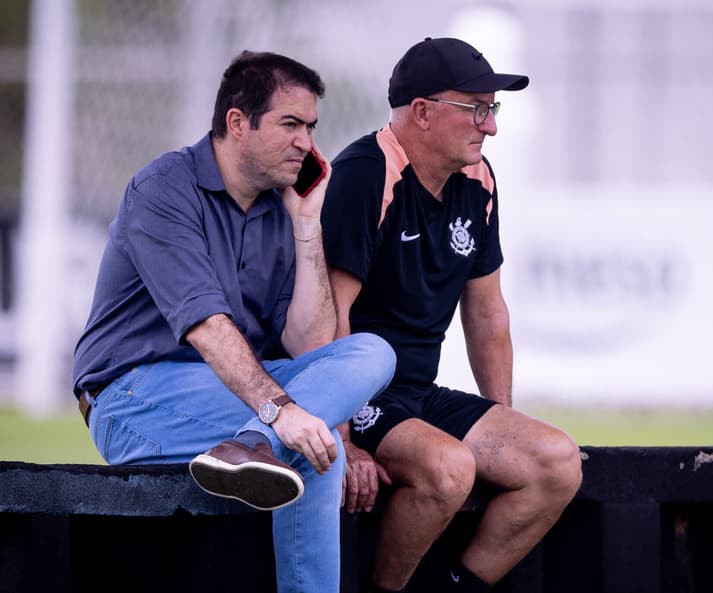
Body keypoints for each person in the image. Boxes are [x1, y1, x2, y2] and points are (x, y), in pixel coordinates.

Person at [72, 50, 396, 593]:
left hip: (237, 401)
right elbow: (206, 327)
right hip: (131, 396)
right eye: (290, 124)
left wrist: (308, 224)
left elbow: (309, 343)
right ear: (237, 123)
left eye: (311, 127)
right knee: (321, 445)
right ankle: (261, 439)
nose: (307, 144)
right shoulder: (164, 188)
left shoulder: (282, 206)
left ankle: (251, 443)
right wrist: (280, 411)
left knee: (373, 352)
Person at [322, 37, 583, 593]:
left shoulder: (479, 180)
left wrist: (503, 423)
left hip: (419, 393)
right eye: (478, 109)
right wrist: (341, 439)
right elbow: (329, 316)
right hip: (360, 396)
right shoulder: (365, 174)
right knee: (450, 468)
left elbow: (488, 317)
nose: (491, 127)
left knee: (556, 462)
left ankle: (459, 586)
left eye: (493, 110)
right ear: (422, 112)